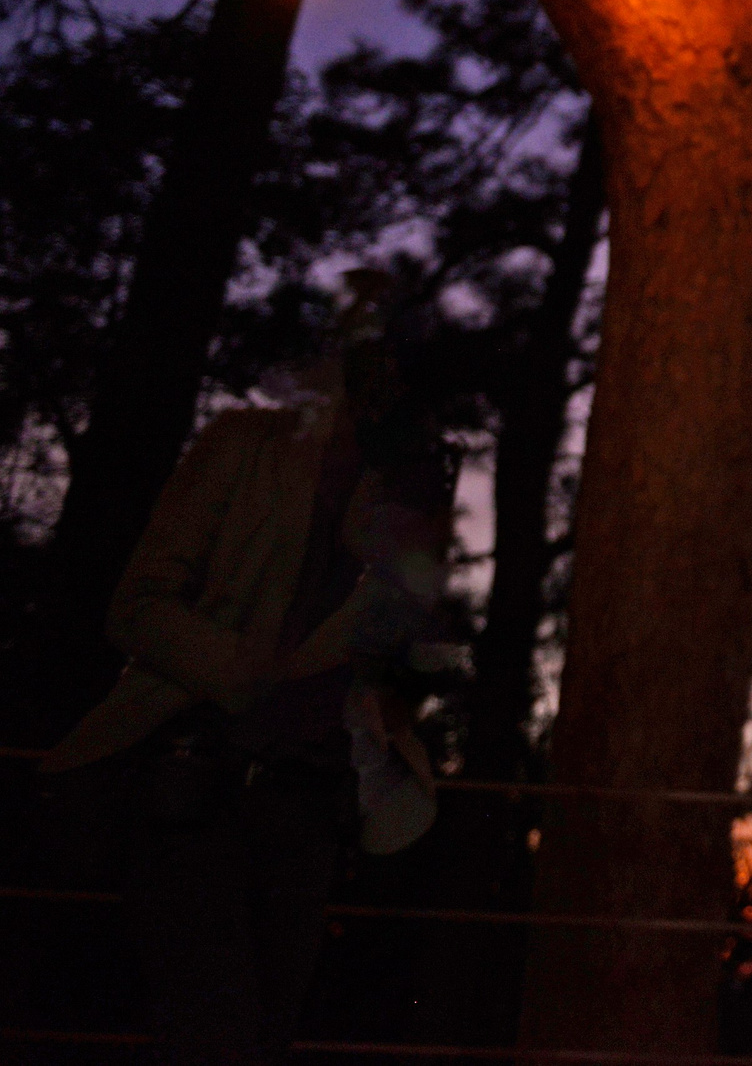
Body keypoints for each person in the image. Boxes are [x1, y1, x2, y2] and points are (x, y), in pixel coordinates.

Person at [42, 279, 455, 1065]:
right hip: (196, 785)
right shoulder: (245, 447)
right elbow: (136, 605)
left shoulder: (399, 497)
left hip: (304, 807)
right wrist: (245, 670)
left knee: (266, 1030)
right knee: (213, 1025)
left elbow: (397, 655)